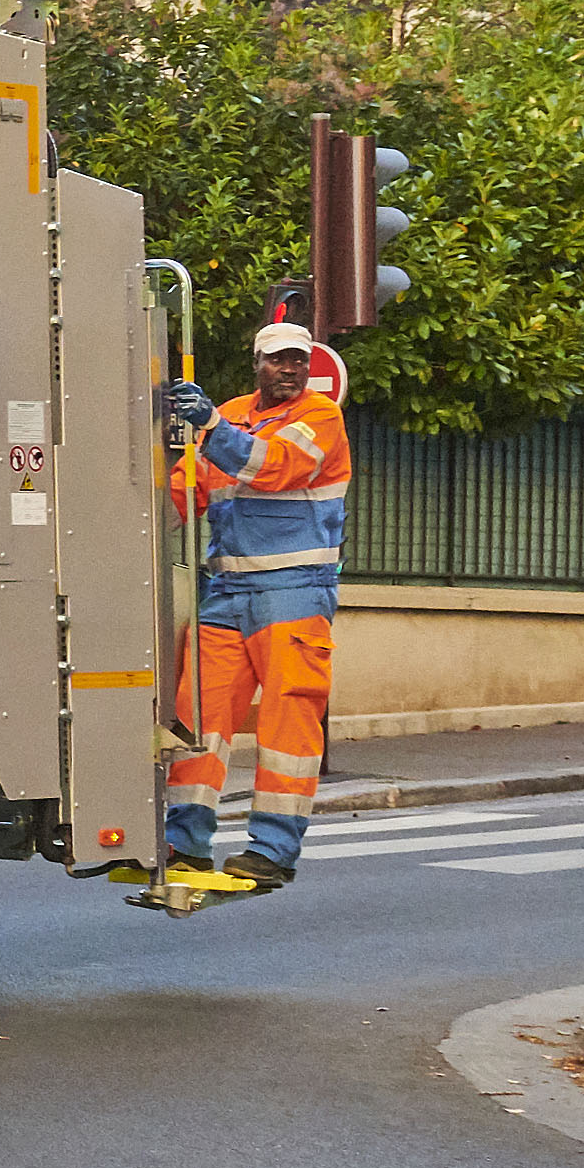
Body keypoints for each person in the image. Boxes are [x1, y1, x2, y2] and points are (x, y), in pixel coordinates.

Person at [157, 317, 354, 896]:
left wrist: (211, 424)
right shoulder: (231, 415)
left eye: (298, 361)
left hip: (293, 592)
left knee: (287, 723)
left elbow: (272, 467)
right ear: (258, 364)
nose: (290, 370)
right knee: (197, 717)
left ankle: (272, 851)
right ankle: (184, 840)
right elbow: (183, 494)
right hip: (225, 592)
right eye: (278, 360)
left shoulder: (320, 417)